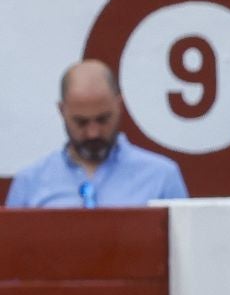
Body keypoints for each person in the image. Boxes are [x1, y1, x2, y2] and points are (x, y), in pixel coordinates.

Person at [4, 60, 187, 209]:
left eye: (103, 119)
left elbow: (184, 251)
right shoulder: (30, 183)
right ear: (62, 111)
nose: (93, 133)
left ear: (119, 105)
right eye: (81, 122)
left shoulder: (162, 177)